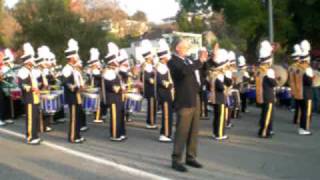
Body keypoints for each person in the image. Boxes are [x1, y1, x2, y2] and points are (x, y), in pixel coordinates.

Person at [168, 39, 206, 172]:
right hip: (184, 99)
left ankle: (190, 157)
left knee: (194, 130)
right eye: (185, 46)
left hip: (195, 97)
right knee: (182, 131)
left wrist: (209, 59)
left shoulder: (189, 60)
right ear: (178, 48)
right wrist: (199, 61)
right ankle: (176, 159)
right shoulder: (173, 61)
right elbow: (183, 72)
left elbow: (200, 69)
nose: (188, 48)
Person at [18, 43, 41, 145]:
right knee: (31, 118)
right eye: (32, 59)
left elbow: (35, 83)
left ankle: (35, 135)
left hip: (35, 97)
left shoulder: (31, 71)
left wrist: (38, 87)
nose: (34, 61)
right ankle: (30, 137)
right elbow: (22, 85)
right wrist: (33, 88)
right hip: (29, 98)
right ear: (28, 61)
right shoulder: (23, 71)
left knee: (35, 118)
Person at [62, 38, 85, 143]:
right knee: (74, 118)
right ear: (71, 57)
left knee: (78, 117)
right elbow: (67, 83)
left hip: (77, 96)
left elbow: (79, 81)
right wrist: (77, 87)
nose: (77, 58)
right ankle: (72, 137)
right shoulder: (67, 68)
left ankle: (77, 135)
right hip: (72, 96)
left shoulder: (75, 68)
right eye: (75, 56)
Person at [102, 42, 126, 141]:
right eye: (115, 60)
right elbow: (114, 88)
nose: (117, 61)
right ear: (111, 61)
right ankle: (115, 134)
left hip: (118, 98)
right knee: (115, 117)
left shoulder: (113, 71)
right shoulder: (108, 72)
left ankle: (120, 133)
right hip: (113, 98)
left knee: (120, 116)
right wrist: (122, 88)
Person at [256, 40, 277, 138]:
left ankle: (265, 129)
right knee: (267, 115)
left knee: (265, 114)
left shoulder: (259, 69)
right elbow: (274, 84)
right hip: (268, 95)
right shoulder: (268, 70)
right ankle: (264, 131)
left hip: (262, 95)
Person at [208, 48, 229, 140]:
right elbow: (221, 87)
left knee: (217, 116)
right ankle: (220, 134)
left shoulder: (213, 72)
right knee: (221, 117)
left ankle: (215, 132)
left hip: (215, 98)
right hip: (220, 97)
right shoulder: (218, 74)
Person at [156, 39, 174, 142]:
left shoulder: (165, 66)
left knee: (169, 115)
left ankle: (167, 133)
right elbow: (163, 82)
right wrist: (172, 84)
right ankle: (165, 134)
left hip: (168, 94)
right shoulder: (160, 67)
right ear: (163, 58)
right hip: (164, 94)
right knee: (167, 115)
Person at [296, 40, 314, 135]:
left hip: (299, 92)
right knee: (307, 112)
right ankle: (305, 128)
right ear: (307, 59)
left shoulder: (298, 68)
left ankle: (301, 128)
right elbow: (310, 82)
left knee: (303, 111)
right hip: (307, 93)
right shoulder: (307, 69)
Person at [141, 39, 158, 129]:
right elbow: (148, 79)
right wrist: (156, 80)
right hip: (150, 89)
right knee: (151, 106)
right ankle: (150, 122)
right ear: (148, 57)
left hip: (153, 89)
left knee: (154, 106)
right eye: (151, 56)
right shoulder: (146, 65)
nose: (153, 58)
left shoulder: (151, 65)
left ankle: (152, 121)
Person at [288, 44, 302, 124]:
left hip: (293, 86)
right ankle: (298, 119)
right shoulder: (298, 67)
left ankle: (296, 119)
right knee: (300, 105)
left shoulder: (291, 67)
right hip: (298, 87)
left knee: (297, 104)